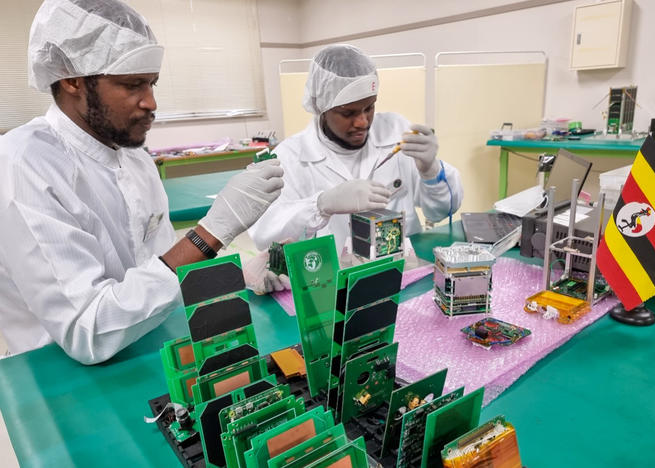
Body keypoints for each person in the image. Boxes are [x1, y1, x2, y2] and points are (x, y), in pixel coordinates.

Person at [0, 0, 285, 364]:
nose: (151, 102)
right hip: (59, 377)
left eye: (151, 83)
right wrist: (211, 233)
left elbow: (161, 267)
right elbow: (88, 330)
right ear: (71, 78)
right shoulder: (24, 164)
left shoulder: (132, 156)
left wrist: (233, 275)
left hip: (148, 346)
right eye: (133, 84)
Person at [249, 44, 463, 253]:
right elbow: (264, 235)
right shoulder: (290, 157)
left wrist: (430, 172)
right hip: (331, 277)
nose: (362, 122)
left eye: (369, 107)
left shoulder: (396, 130)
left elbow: (441, 212)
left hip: (404, 269)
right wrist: (321, 205)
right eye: (348, 113)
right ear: (321, 107)